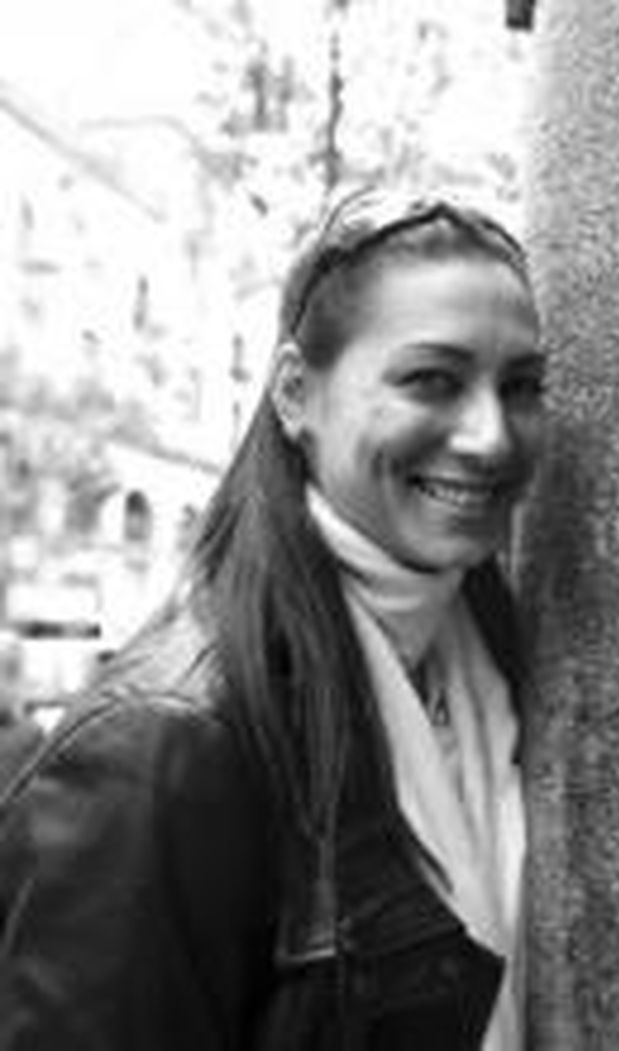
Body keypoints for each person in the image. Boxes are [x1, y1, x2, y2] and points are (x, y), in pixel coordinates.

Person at [0, 190, 547, 1050]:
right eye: (431, 381)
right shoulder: (162, 745)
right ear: (296, 393)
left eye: (521, 386)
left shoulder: (496, 655)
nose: (491, 436)